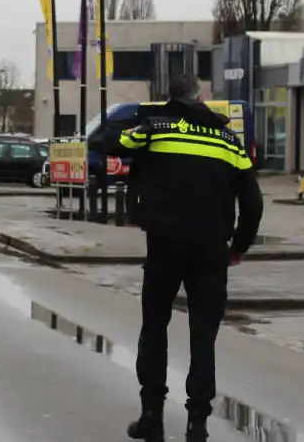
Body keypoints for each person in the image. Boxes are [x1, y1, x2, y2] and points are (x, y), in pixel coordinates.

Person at [112, 75, 263, 442]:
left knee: (154, 329)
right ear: (203, 99)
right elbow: (253, 202)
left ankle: (152, 416)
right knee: (203, 338)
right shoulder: (229, 141)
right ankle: (197, 424)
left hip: (164, 246)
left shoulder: (159, 131)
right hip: (211, 250)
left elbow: (107, 139)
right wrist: (239, 247)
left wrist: (147, 122)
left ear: (172, 101)